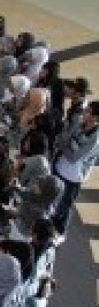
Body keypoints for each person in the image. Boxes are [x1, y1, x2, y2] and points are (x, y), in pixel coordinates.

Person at [51, 101, 99, 235]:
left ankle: (60, 231)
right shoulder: (80, 125)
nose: (84, 112)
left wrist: (64, 146)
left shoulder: (95, 138)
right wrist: (66, 145)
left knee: (65, 204)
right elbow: (66, 139)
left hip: (74, 175)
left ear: (95, 117)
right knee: (54, 196)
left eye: (88, 111)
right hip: (61, 166)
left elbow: (74, 157)